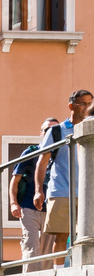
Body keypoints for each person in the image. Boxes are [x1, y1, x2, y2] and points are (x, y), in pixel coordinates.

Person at [34, 89, 94, 266]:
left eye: (90, 104)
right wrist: (39, 190)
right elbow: (42, 161)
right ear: (71, 106)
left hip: (87, 192)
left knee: (88, 237)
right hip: (61, 190)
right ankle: (59, 274)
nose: (87, 108)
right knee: (61, 237)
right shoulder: (57, 131)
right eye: (83, 103)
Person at [9, 118, 59, 272]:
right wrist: (13, 203)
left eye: (55, 130)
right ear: (41, 133)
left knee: (47, 249)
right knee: (31, 245)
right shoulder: (31, 152)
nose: (51, 133)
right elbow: (15, 180)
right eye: (47, 130)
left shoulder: (61, 153)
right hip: (28, 206)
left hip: (50, 208)